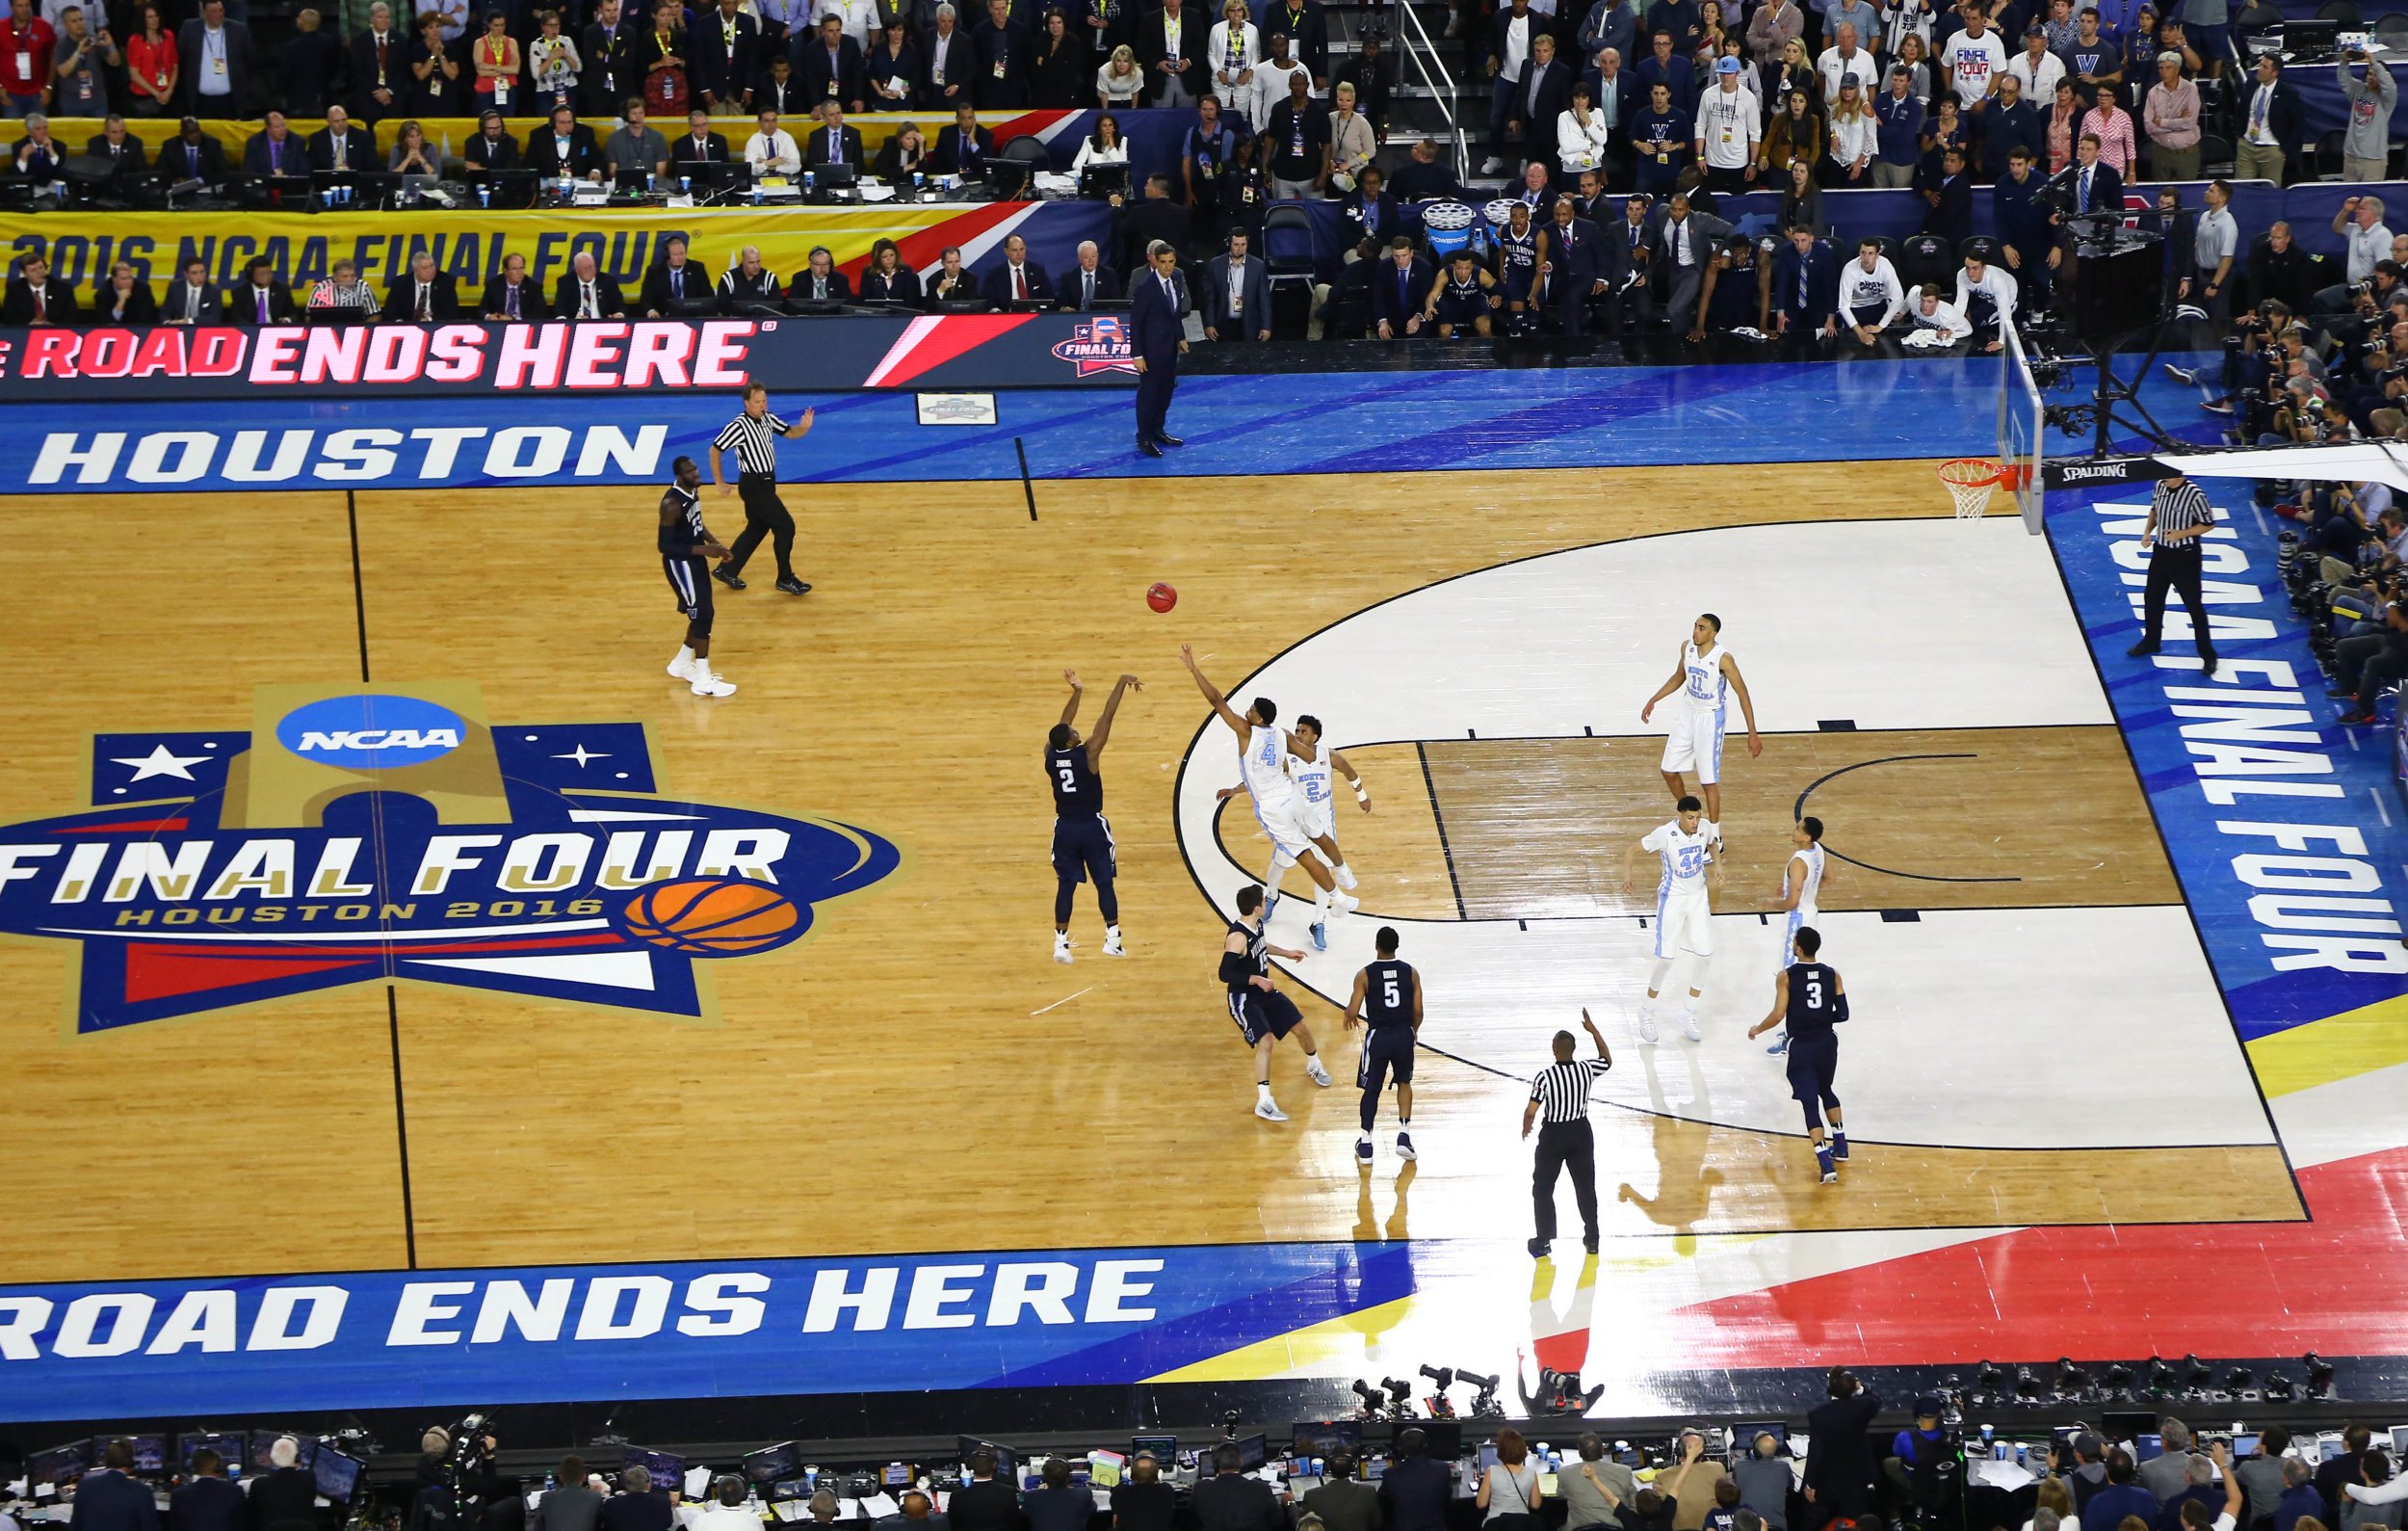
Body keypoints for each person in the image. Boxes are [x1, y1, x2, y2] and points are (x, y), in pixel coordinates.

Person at [1215, 878, 1330, 1120]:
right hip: (1244, 998)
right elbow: (1225, 973)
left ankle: (1314, 1064)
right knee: (1266, 1041)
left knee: (1300, 1026)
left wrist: (1286, 953)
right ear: (1256, 907)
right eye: (1264, 901)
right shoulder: (1237, 937)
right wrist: (1256, 979)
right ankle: (1264, 1101)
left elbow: (1261, 944)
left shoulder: (1255, 925)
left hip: (1264, 992)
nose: (1267, 903)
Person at [1049, 669, 1139, 963]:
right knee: (1104, 883)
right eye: (1075, 733)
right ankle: (1112, 940)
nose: (1079, 731)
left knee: (1066, 885)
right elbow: (1107, 717)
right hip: (1091, 826)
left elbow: (1062, 724)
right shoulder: (1088, 753)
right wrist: (1120, 681)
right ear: (1072, 741)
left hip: (1064, 828)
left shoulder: (1050, 754)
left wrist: (1077, 691)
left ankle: (1060, 944)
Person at [1639, 612, 1759, 833]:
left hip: (1710, 718)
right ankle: (1691, 814)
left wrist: (1752, 733)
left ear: (1713, 633)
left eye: (1702, 628)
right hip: (1688, 712)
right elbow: (1679, 677)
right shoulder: (1687, 648)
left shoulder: (1724, 659)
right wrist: (1654, 699)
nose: (1695, 631)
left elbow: (1743, 694)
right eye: (1695, 626)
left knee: (1708, 782)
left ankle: (1714, 836)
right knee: (1668, 770)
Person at [1745, 924, 1848, 1179]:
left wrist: (1757, 1029)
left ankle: (1825, 1162)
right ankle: (1842, 1145)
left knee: (1809, 1102)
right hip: (1827, 1041)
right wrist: (1821, 1019)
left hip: (1802, 1045)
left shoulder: (1786, 976)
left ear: (1798, 948)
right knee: (1826, 1089)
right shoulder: (1832, 973)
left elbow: (1779, 1015)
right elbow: (1844, 1014)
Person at [1620, 793, 1719, 1042]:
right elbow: (1631, 850)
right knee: (1666, 960)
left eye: (1697, 817)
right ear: (1679, 816)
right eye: (1690, 818)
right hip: (1673, 899)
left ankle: (1689, 1011)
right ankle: (1646, 1009)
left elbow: (1713, 843)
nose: (1695, 822)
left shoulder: (1704, 828)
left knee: (1706, 955)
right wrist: (1627, 875)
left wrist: (1718, 865)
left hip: (1697, 897)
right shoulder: (1665, 834)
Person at [710, 382, 814, 596]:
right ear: (746, 403)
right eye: (757, 402)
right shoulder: (738, 426)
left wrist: (804, 427)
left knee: (757, 528)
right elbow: (715, 449)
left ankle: (727, 569)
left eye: (764, 400)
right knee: (786, 526)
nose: (762, 405)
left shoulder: (768, 418)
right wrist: (719, 482)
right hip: (754, 485)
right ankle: (785, 578)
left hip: (766, 482)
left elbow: (790, 433)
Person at [1523, 1008, 1610, 1256]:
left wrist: (1526, 1126)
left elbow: (1532, 1110)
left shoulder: (1546, 1076)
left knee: (1543, 1188)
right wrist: (1593, 1030)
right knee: (1585, 1187)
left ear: (1554, 1049)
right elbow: (1606, 1059)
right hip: (1581, 1132)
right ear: (1573, 1050)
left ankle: (1543, 1240)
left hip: (1553, 1136)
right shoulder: (1586, 1069)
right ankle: (1592, 1238)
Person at [2126, 464, 2217, 675]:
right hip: (2161, 553)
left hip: (2185, 557)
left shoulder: (2195, 494)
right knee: (2152, 599)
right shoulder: (2160, 486)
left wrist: (2181, 533)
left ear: (2178, 475)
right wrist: (2147, 532)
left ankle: (2208, 655)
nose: (2162, 478)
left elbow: (2208, 524)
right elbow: (2155, 511)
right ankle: (2151, 641)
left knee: (2194, 607)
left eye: (2166, 475)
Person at [1341, 924, 1420, 1162]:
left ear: (1376, 946)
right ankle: (1404, 1136)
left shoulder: (1365, 974)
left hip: (1379, 1037)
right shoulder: (1411, 972)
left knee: (1372, 1089)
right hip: (1403, 1035)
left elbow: (1353, 1009)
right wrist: (1412, 1032)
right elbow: (1418, 1010)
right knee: (1404, 1082)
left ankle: (1366, 1144)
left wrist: (1348, 1015)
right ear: (1397, 947)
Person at [1760, 815, 1828, 1051]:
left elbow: (1792, 902)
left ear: (1806, 837)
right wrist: (1798, 888)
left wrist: (1774, 901)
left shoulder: (1798, 863)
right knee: (1800, 975)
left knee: (1790, 980)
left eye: (1798, 828)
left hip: (1797, 919)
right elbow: (1828, 878)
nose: (1794, 829)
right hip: (1811, 913)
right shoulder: (1818, 849)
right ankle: (1795, 1031)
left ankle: (1792, 1035)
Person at [1131, 239, 1189, 456]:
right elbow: (1135, 323)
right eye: (1163, 262)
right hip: (1151, 351)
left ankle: (1157, 430)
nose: (1167, 266)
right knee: (1149, 395)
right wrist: (1137, 354)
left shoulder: (1176, 278)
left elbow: (1175, 313)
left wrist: (1181, 337)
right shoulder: (1146, 288)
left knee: (1165, 393)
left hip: (1170, 349)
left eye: (1171, 262)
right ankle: (1144, 436)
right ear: (1155, 262)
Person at [1803, 1369, 1882, 1526]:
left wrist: (1810, 1483)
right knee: (1856, 1520)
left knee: (1816, 1518)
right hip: (1857, 1478)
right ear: (1853, 1386)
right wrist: (1860, 1389)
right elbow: (1875, 1400)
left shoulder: (1818, 1414)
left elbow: (1816, 1451)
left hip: (1828, 1481)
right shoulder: (1863, 1407)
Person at [2235, 53, 2295, 185]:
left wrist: (2284, 151)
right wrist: (2240, 136)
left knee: (2270, 192)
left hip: (2272, 150)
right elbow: (2241, 112)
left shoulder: (2288, 93)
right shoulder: (2250, 86)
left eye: (2264, 67)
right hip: (2247, 147)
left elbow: (2297, 124)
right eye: (2260, 65)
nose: (2259, 69)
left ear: (2274, 73)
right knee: (2241, 189)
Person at [1194, 1443, 1285, 1531]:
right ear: (1241, 1462)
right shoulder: (1261, 1489)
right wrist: (1289, 1503)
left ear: (1216, 1465)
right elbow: (1278, 1522)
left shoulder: (1200, 1489)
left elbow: (1191, 1521)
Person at [72, 1441, 158, 1531]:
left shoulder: (84, 1486)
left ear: (106, 1460)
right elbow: (150, 1527)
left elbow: (75, 1526)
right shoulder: (143, 1491)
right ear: (131, 1461)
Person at [250, 1438, 318, 1531]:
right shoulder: (309, 1477)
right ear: (297, 1458)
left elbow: (252, 1515)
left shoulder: (259, 1484)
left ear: (272, 1458)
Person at [1303, 1456, 1382, 1531]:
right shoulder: (1369, 1491)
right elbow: (1376, 1524)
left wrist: (1290, 1502)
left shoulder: (1311, 1495)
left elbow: (1300, 1524)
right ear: (1351, 1469)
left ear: (1329, 1469)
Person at [1479, 1432, 1542, 1526]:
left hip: (1495, 1525)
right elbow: (1536, 1505)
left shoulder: (1491, 1471)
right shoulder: (1531, 1473)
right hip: (1522, 1525)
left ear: (1500, 1450)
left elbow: (1481, 1503)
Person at [172, 1451, 246, 1531]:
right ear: (218, 1468)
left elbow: (174, 1527)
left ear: (193, 1468)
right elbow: (243, 1525)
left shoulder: (179, 1494)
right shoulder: (236, 1491)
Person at [382, 249, 460, 322]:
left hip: (435, 325)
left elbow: (451, 312)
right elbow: (389, 311)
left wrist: (429, 320)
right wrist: (400, 323)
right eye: (425, 268)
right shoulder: (400, 283)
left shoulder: (446, 281)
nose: (430, 271)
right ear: (415, 269)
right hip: (407, 326)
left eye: (432, 266)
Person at [947, 1453, 1018, 1531]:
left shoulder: (957, 1496)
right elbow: (1015, 1521)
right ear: (995, 1466)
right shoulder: (1008, 1493)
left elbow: (952, 1522)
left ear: (970, 1467)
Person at [982, 231, 1054, 306]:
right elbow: (988, 299)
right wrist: (996, 311)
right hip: (1006, 315)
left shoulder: (1037, 270)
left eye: (1022, 249)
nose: (1019, 254)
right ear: (1006, 251)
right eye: (1014, 250)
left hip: (1034, 314)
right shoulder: (995, 273)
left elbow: (1049, 296)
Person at [0, 252, 72, 324]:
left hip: (56, 331)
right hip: (25, 331)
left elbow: (71, 317)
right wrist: (29, 324)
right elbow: (9, 317)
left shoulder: (63, 288)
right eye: (33, 270)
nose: (39, 272)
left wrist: (53, 326)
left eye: (41, 267)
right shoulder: (14, 289)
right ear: (25, 274)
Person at [537, 1459, 606, 1531]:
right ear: (584, 1477)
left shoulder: (546, 1497)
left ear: (561, 1477)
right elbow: (599, 1526)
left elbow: (538, 1527)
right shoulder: (595, 1498)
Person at [554, 250, 626, 317]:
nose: (589, 271)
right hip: (576, 325)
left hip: (602, 325)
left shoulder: (608, 281)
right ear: (577, 270)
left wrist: (619, 315)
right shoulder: (566, 282)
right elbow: (560, 308)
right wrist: (564, 322)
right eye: (585, 268)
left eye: (591, 267)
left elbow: (619, 305)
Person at [1114, 1457, 1178, 1531]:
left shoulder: (1120, 1491)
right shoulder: (1167, 1490)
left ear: (1131, 1475)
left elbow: (1115, 1510)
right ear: (1158, 1475)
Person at [599, 1468, 674, 1531]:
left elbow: (608, 1526)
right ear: (647, 1484)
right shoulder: (663, 1501)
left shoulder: (612, 1504)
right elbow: (668, 1524)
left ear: (625, 1485)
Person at [1025, 1461, 1090, 1531]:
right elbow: (1091, 1510)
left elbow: (1023, 1516)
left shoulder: (1030, 1496)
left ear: (1044, 1478)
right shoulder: (1083, 1494)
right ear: (1069, 1477)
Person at [233, 255, 297, 323]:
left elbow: (294, 315)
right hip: (251, 330)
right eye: (261, 274)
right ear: (251, 275)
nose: (266, 276)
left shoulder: (282, 290)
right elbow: (237, 318)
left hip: (276, 330)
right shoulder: (240, 293)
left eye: (268, 272)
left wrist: (286, 320)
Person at [306, 257, 379, 314]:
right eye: (345, 276)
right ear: (335, 277)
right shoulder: (321, 288)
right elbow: (309, 315)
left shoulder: (363, 287)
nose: (350, 279)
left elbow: (375, 314)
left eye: (352, 275)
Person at [162, 255, 222, 323]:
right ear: (186, 274)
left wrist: (188, 321)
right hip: (179, 329)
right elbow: (165, 313)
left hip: (203, 330)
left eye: (202, 272)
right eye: (194, 273)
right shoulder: (175, 288)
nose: (199, 277)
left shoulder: (214, 291)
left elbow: (214, 319)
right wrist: (167, 323)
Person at [799, 108, 859, 173]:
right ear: (824, 118)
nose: (837, 117)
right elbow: (811, 164)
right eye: (831, 115)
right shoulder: (815, 136)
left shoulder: (853, 134)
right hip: (824, 177)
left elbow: (859, 163)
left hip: (848, 177)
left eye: (839, 113)